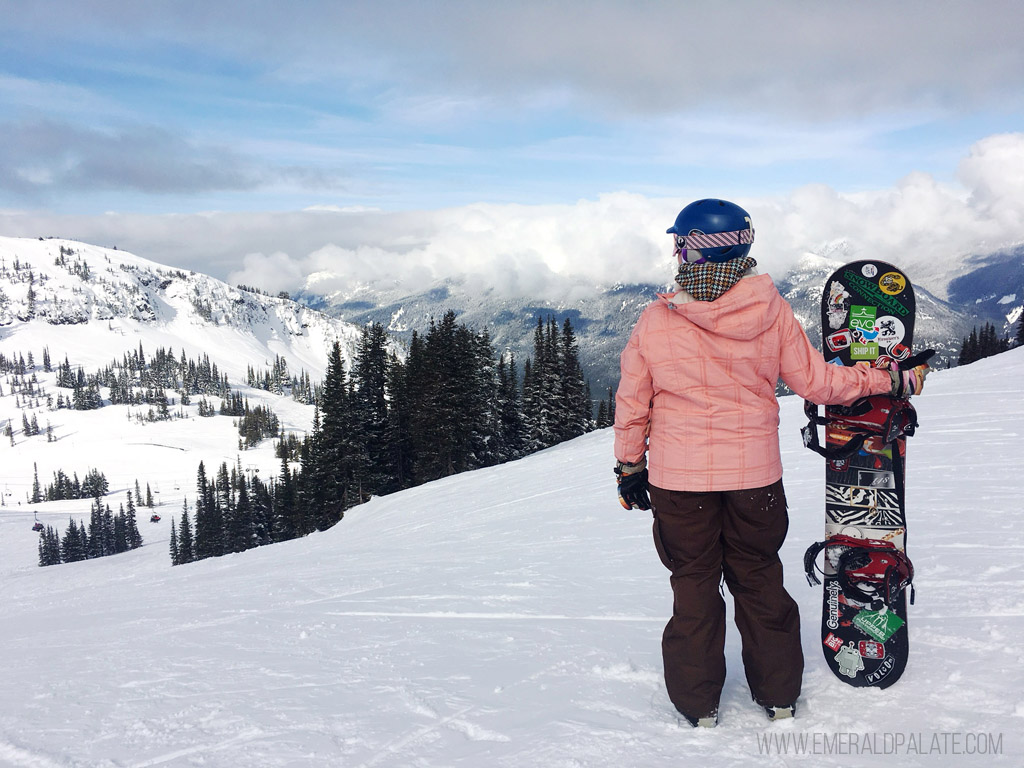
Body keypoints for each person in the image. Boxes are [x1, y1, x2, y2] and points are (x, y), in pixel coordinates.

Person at [612, 198, 930, 728]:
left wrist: (629, 468)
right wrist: (890, 379)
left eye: (680, 242)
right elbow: (821, 384)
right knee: (758, 577)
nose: (676, 251)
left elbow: (632, 404)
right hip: (754, 479)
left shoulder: (655, 321)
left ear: (691, 248)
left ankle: (698, 707)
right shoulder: (770, 310)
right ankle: (779, 697)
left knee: (693, 583)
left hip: (679, 482)